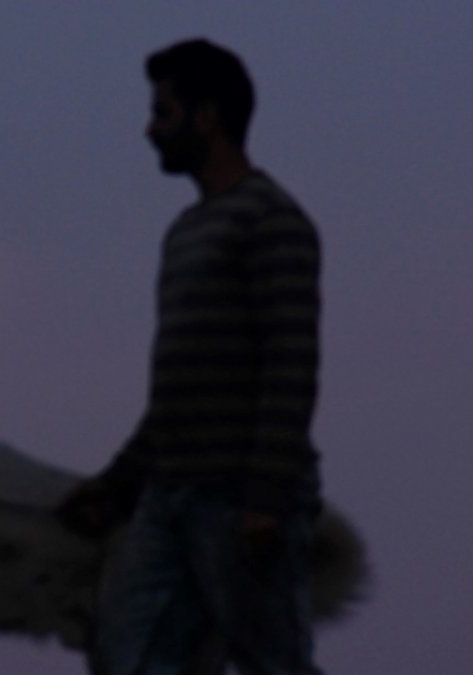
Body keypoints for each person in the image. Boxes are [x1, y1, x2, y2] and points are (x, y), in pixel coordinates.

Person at [58, 38, 325, 675]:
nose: (149, 130)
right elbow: (177, 392)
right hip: (169, 497)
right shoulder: (185, 232)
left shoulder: (271, 220)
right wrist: (118, 484)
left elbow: (291, 361)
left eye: (163, 113)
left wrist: (264, 496)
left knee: (272, 662)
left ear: (206, 116)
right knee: (126, 657)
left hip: (237, 499)